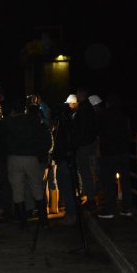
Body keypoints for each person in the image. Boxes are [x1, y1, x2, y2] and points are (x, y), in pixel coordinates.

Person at [3, 97, 52, 231]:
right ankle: (43, 219)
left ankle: (23, 222)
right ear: (24, 109)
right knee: (37, 187)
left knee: (17, 190)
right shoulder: (32, 121)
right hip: (31, 157)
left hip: (14, 158)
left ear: (13, 110)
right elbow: (41, 136)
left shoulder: (8, 122)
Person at [95, 94, 135, 218]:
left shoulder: (103, 115)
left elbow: (98, 132)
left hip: (108, 153)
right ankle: (127, 208)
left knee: (109, 182)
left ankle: (109, 209)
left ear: (108, 103)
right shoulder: (124, 116)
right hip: (123, 152)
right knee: (125, 181)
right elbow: (129, 133)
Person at [51, 94, 80, 226]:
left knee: (67, 188)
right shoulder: (70, 123)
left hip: (64, 160)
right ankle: (71, 213)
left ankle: (71, 215)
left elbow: (63, 143)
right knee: (68, 187)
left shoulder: (63, 126)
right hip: (67, 159)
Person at [71, 89, 99, 211]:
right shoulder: (89, 108)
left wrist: (77, 143)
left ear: (81, 95)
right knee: (88, 172)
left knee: (85, 172)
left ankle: (91, 199)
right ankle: (90, 197)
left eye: (78, 94)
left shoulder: (83, 109)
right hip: (89, 143)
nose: (77, 96)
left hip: (83, 145)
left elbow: (81, 129)